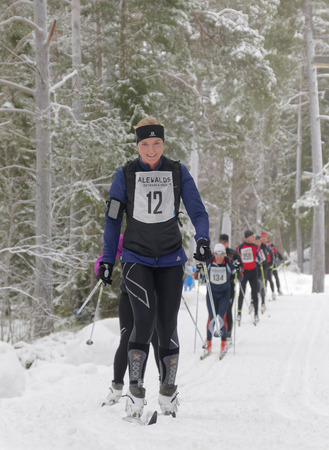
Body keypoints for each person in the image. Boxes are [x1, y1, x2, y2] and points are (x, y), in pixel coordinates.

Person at [98, 117, 210, 419]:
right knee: (143, 321)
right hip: (137, 258)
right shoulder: (125, 174)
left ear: (164, 143)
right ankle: (135, 390)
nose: (151, 149)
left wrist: (202, 240)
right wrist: (108, 259)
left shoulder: (177, 171)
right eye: (145, 144)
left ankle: (168, 389)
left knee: (167, 325)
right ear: (138, 146)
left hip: (172, 259)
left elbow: (198, 211)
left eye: (156, 143)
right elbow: (112, 221)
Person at [94, 237, 160, 406]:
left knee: (155, 339)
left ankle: (165, 386)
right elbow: (108, 254)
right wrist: (101, 268)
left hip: (152, 298)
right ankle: (116, 389)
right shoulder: (127, 237)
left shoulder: (159, 234)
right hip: (128, 296)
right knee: (127, 340)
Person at [203, 243, 238, 357]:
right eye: (217, 254)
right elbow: (200, 273)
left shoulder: (228, 261)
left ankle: (223, 343)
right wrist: (199, 271)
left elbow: (237, 273)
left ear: (224, 254)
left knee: (221, 317)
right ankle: (208, 343)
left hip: (224, 294)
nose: (219, 256)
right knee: (211, 317)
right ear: (214, 253)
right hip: (212, 294)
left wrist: (237, 270)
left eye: (221, 254)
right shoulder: (209, 261)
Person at [218, 233, 243, 342]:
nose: (223, 244)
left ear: (228, 243)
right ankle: (222, 330)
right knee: (220, 311)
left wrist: (238, 267)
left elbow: (242, 270)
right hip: (217, 286)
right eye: (221, 242)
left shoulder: (234, 254)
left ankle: (228, 334)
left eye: (225, 243)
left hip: (229, 285)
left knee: (228, 310)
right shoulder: (216, 253)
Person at [236, 230, 260, 324]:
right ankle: (239, 313)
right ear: (247, 237)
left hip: (253, 272)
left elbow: (260, 257)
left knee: (254, 293)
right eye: (252, 236)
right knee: (242, 293)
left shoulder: (256, 247)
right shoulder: (240, 247)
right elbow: (236, 258)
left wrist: (260, 260)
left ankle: (256, 313)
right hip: (244, 272)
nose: (253, 237)